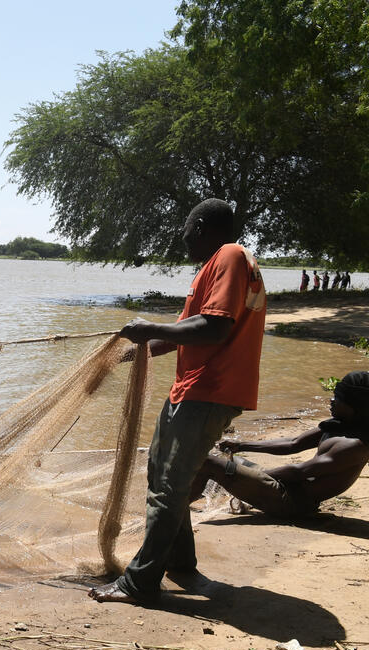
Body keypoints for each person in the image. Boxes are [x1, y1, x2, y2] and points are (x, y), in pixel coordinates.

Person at [90, 198, 267, 604]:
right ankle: (180, 562)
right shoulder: (218, 265)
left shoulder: (230, 256)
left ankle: (139, 582)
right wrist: (135, 350)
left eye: (186, 229)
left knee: (168, 487)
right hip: (193, 389)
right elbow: (187, 331)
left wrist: (147, 323)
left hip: (210, 389)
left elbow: (215, 327)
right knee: (163, 476)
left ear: (201, 225)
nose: (183, 237)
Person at [191, 371, 369, 517]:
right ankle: (194, 498)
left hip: (291, 503)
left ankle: (176, 506)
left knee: (207, 462)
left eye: (337, 398)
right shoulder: (340, 426)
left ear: (353, 407)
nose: (331, 401)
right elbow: (293, 443)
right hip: (285, 487)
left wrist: (250, 477)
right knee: (224, 461)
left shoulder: (356, 445)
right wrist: (242, 445)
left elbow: (299, 472)